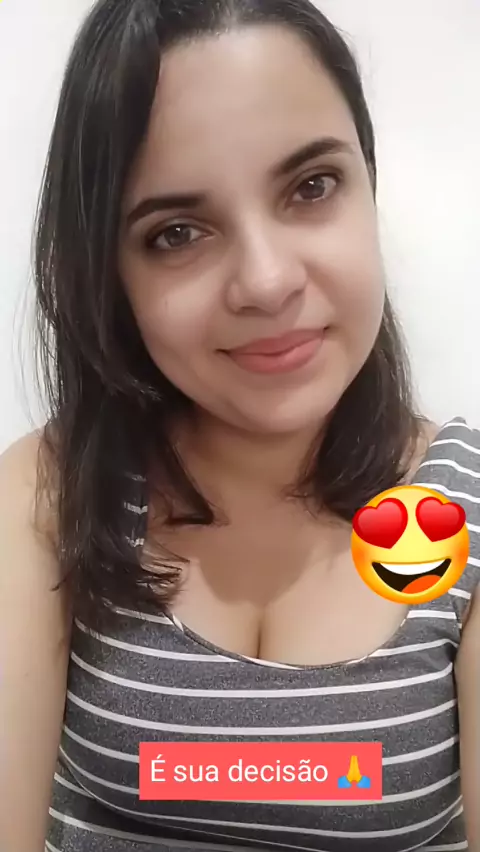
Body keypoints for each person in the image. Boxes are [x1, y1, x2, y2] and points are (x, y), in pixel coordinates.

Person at [1, 0, 479, 850]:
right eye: (177, 232)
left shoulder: (465, 510)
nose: (264, 281)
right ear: (110, 275)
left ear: (369, 184)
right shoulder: (48, 493)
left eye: (311, 187)